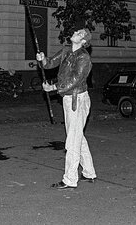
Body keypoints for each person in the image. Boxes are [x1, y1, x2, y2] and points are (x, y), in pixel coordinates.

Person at [36, 28, 97, 190]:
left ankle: (70, 179)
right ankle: (89, 172)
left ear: (84, 41)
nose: (75, 33)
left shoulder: (84, 58)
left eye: (79, 33)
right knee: (77, 136)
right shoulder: (66, 50)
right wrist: (42, 59)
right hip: (68, 99)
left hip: (78, 100)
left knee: (72, 141)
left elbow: (75, 80)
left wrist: (54, 87)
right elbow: (50, 63)